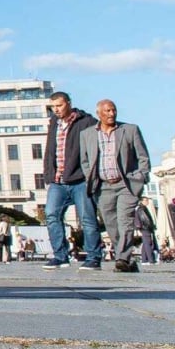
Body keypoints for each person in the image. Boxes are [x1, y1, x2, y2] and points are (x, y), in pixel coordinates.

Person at [78, 98, 151, 273]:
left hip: (127, 184)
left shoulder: (129, 130)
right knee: (111, 224)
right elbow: (85, 161)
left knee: (125, 222)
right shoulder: (87, 134)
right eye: (107, 111)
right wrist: (91, 178)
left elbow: (143, 157)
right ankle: (126, 258)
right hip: (103, 186)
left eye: (114, 110)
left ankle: (122, 258)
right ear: (99, 114)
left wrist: (141, 176)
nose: (112, 114)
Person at [42, 91, 98, 270]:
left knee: (87, 218)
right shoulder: (53, 123)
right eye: (53, 107)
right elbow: (50, 149)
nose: (56, 110)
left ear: (68, 103)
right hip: (57, 180)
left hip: (79, 179)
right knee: (51, 215)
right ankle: (60, 255)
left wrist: (90, 173)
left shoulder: (86, 122)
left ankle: (93, 256)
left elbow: (95, 147)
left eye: (59, 105)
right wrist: (48, 173)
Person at [134, 197, 159, 265]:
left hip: (145, 228)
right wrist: (149, 226)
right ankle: (151, 260)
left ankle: (144, 260)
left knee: (145, 244)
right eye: (146, 200)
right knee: (148, 244)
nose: (147, 201)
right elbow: (144, 219)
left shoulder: (143, 208)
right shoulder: (141, 209)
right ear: (142, 201)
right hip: (145, 228)